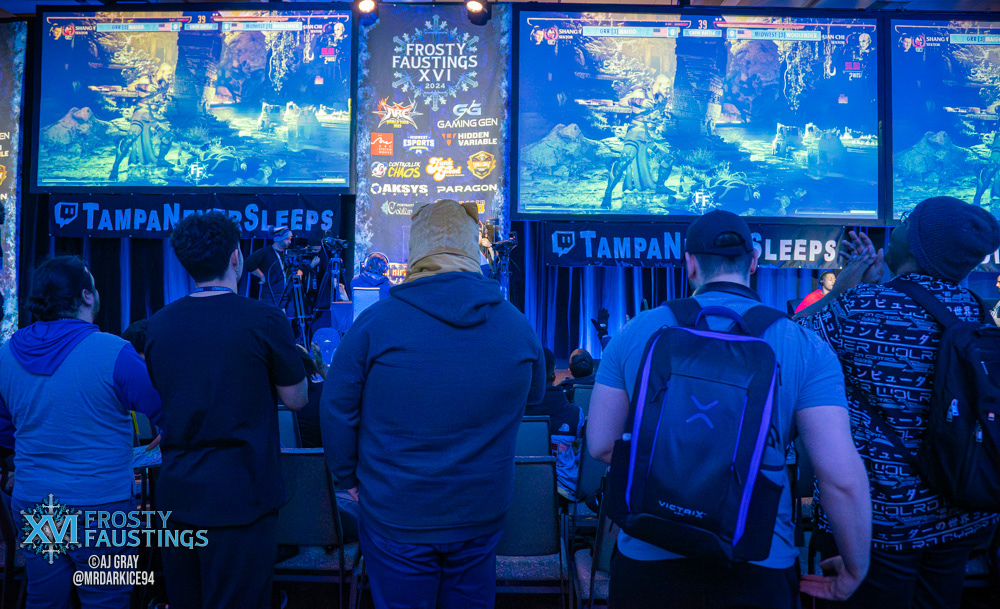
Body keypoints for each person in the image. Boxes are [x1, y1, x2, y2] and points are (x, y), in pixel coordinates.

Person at [587, 210, 871, 608]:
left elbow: (601, 445)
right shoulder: (804, 345)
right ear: (753, 262)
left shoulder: (635, 332)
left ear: (689, 263)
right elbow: (839, 476)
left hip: (649, 556)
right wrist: (857, 566)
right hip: (758, 561)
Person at [322, 199, 546, 609]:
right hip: (480, 509)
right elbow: (534, 398)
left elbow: (336, 408)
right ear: (472, 248)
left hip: (395, 510)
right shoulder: (518, 325)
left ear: (417, 249)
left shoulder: (374, 323)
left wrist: (345, 477)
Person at [796, 196, 1000, 609]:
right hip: (960, 514)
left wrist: (849, 282)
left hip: (878, 521)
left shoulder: (864, 307)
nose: (897, 228)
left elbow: (791, 341)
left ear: (921, 245)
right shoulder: (977, 314)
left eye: (907, 221)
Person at [145, 212, 308, 609]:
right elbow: (296, 399)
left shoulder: (158, 324)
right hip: (241, 496)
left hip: (177, 494)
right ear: (237, 256)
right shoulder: (264, 318)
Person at [0, 256, 162, 609]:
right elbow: (167, 410)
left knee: (45, 601)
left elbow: (4, 435)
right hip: (102, 508)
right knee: (107, 602)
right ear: (87, 295)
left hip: (37, 505)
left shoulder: (5, 356)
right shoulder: (114, 352)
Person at [527, 348, 585, 502]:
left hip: (521, 488)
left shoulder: (512, 413)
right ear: (553, 375)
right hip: (563, 492)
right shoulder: (575, 414)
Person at [246, 225, 294, 308]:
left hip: (288, 296)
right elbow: (249, 263)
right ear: (279, 238)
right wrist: (261, 275)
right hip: (271, 296)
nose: (290, 242)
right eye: (287, 239)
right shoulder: (265, 252)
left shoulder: (287, 254)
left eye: (290, 239)